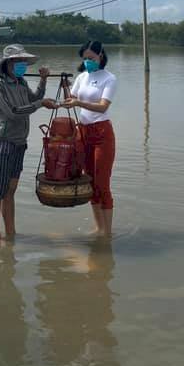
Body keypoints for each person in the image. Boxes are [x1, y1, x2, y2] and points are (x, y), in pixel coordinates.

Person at [0, 43, 56, 243]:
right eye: (18, 61)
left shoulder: (21, 82)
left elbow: (34, 98)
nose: (22, 65)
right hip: (1, 142)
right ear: (8, 63)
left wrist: (43, 81)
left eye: (24, 62)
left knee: (11, 190)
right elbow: (14, 112)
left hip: (19, 142)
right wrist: (40, 104)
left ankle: (11, 233)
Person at [62, 40, 117, 237]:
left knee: (102, 184)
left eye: (91, 58)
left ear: (100, 56)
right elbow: (71, 100)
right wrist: (66, 89)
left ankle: (107, 232)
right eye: (84, 59)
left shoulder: (109, 78)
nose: (87, 62)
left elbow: (103, 106)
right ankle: (98, 229)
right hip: (83, 132)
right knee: (90, 183)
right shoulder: (82, 77)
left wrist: (79, 103)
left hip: (102, 133)